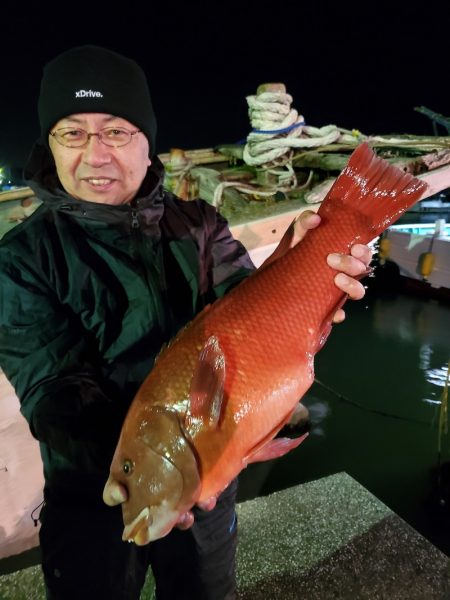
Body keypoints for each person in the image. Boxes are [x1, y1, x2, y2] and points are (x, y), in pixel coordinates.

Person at [0, 45, 371, 600]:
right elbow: (53, 389)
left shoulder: (199, 224)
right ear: (49, 145)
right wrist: (154, 477)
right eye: (71, 133)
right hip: (98, 496)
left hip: (209, 488)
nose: (95, 155)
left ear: (148, 141)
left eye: (117, 131)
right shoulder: (21, 259)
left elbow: (248, 312)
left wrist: (301, 271)